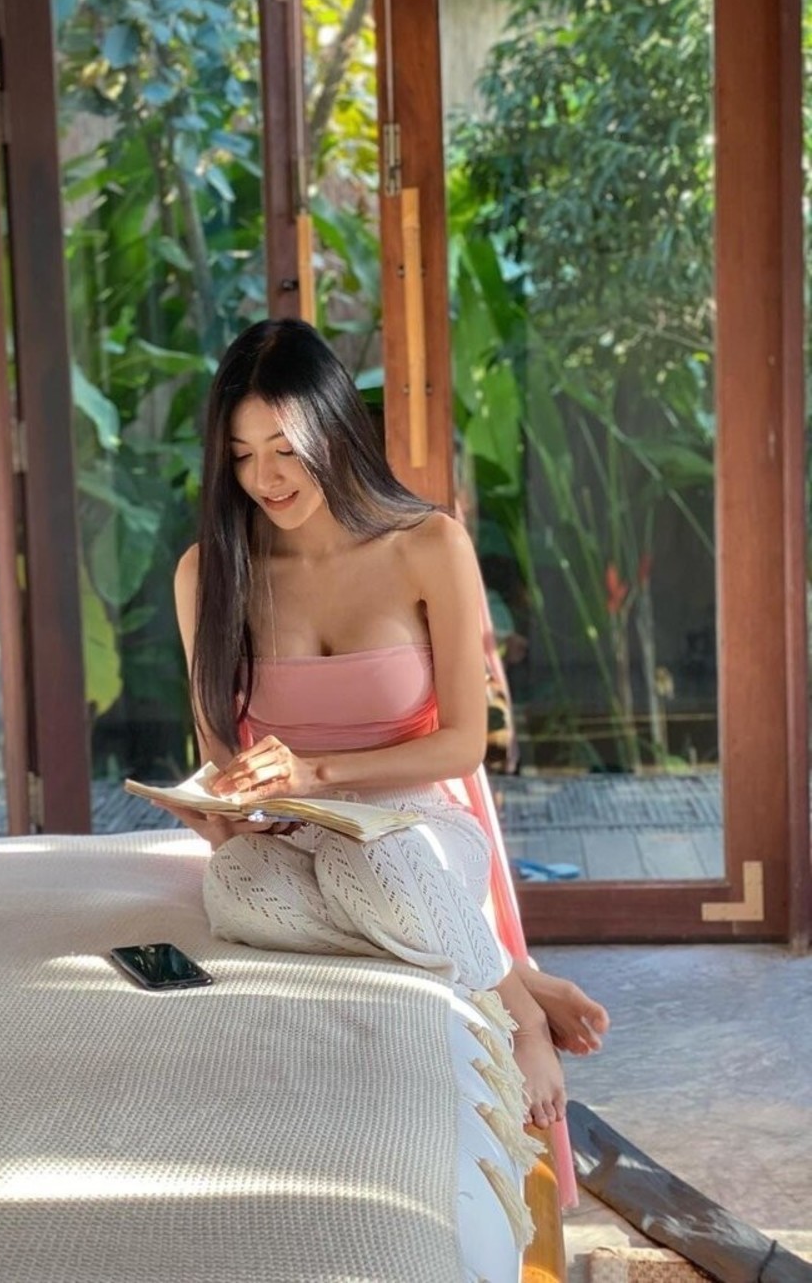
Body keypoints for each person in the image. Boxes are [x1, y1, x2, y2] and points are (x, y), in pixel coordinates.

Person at [165, 317, 608, 1131]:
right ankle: (506, 968)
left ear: (334, 430)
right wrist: (223, 814)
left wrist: (319, 774)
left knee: (372, 860)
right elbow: (220, 753)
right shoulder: (208, 573)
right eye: (242, 454)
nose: (265, 477)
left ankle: (513, 1008)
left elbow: (464, 744)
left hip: (417, 831)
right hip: (294, 838)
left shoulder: (428, 545)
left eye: (285, 448)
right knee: (233, 890)